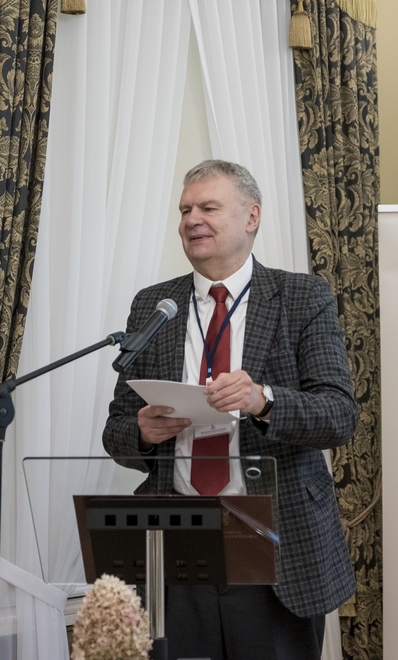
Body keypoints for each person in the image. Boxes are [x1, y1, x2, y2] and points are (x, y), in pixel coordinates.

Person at [103, 159, 358, 660]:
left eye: (208, 207)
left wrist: (263, 400)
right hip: (178, 544)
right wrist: (143, 432)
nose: (192, 220)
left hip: (274, 542)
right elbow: (116, 432)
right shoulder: (155, 305)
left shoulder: (302, 297)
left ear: (251, 217)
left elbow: (338, 414)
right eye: (185, 210)